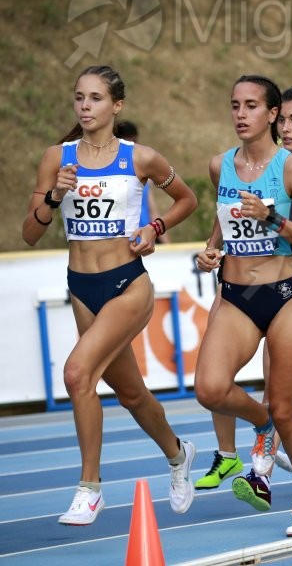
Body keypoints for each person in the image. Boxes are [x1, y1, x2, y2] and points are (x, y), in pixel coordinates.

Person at [22, 65, 199, 525]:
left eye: (96, 98)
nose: (85, 106)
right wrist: (55, 198)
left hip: (128, 282)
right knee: (132, 394)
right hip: (81, 287)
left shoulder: (139, 157)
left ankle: (90, 488)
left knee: (78, 373)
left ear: (116, 106)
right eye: (79, 97)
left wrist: (154, 227)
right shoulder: (55, 158)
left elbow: (187, 200)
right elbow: (30, 233)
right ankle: (179, 455)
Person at [193, 74, 292, 536]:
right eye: (235, 105)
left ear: (272, 115)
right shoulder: (220, 165)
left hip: (287, 293)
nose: (240, 115)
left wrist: (272, 216)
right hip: (236, 294)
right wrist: (211, 248)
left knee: (290, 409)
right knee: (210, 389)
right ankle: (261, 423)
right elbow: (223, 215)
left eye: (251, 106)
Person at [116, 120, 170, 243]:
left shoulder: (145, 175)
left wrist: (168, 245)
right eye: (127, 142)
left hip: (146, 239)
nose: (132, 147)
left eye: (134, 142)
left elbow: (153, 211)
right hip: (122, 242)